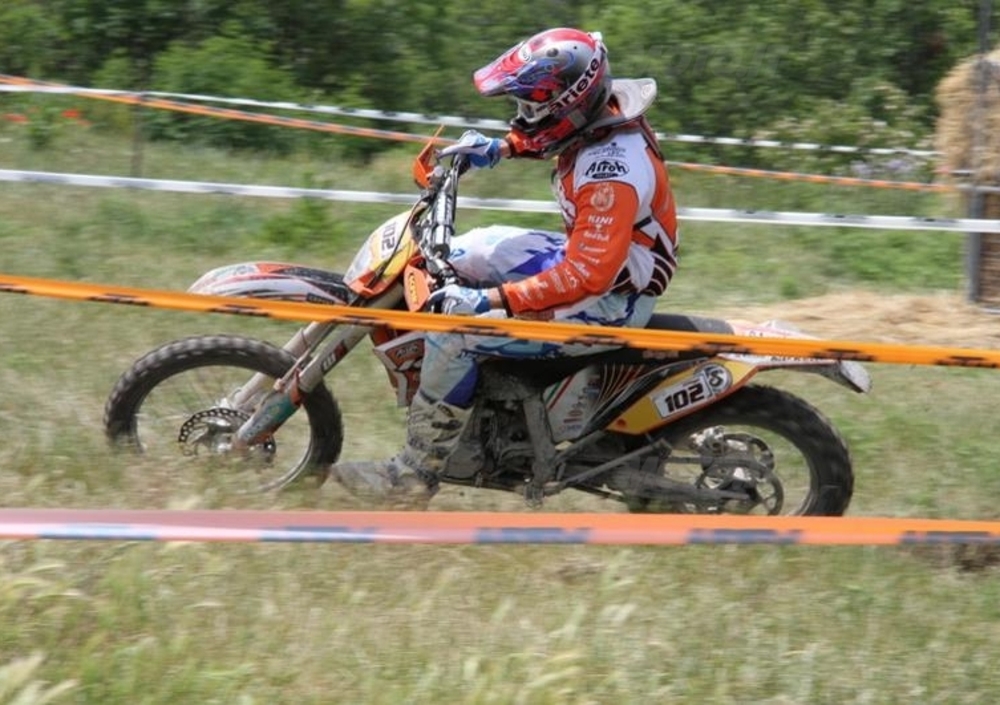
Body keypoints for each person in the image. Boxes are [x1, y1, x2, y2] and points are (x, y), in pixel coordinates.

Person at [331, 27, 679, 507]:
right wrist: (503, 147)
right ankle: (468, 398)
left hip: (612, 297)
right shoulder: (597, 116)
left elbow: (586, 276)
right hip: (597, 262)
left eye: (531, 106)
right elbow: (560, 132)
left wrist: (488, 300)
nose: (522, 115)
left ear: (567, 103)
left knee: (455, 332)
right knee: (469, 249)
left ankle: (412, 476)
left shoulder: (610, 173)